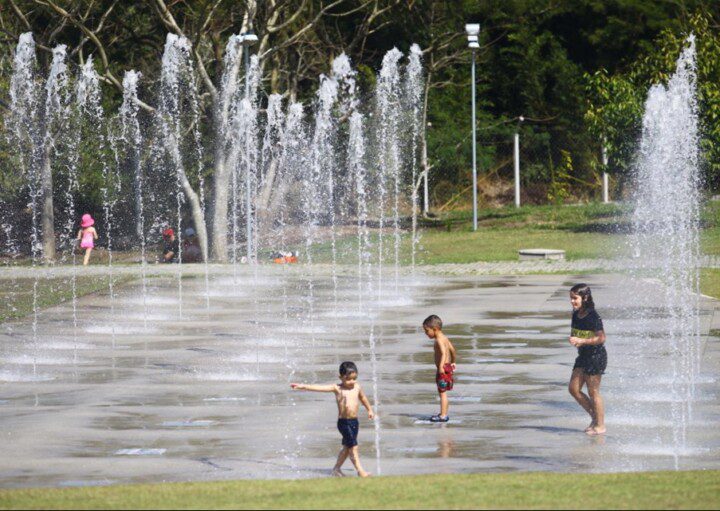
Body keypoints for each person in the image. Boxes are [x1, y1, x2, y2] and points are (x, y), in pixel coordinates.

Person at [291, 361, 375, 477]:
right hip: (343, 423)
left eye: (354, 378)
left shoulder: (357, 387)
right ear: (341, 377)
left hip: (354, 422)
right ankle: (360, 471)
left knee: (347, 448)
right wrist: (303, 386)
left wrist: (369, 410)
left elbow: (363, 398)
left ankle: (336, 469)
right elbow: (319, 388)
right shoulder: (337, 388)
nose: (352, 382)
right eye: (349, 379)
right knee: (353, 446)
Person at [568, 283, 607, 436]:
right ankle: (595, 418)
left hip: (596, 356)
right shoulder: (575, 314)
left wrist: (582, 341)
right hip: (583, 356)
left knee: (593, 392)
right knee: (573, 389)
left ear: (585, 298)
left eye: (575, 298)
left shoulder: (593, 316)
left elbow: (602, 338)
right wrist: (576, 340)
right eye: (571, 298)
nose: (572, 301)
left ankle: (600, 425)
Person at [422, 314, 457, 423]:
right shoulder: (445, 338)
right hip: (447, 368)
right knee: (444, 392)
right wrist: (453, 362)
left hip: (443, 369)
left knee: (442, 393)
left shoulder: (439, 340)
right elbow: (452, 350)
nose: (426, 333)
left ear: (435, 329)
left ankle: (443, 415)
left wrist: (441, 366)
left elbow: (442, 353)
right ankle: (444, 413)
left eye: (427, 331)